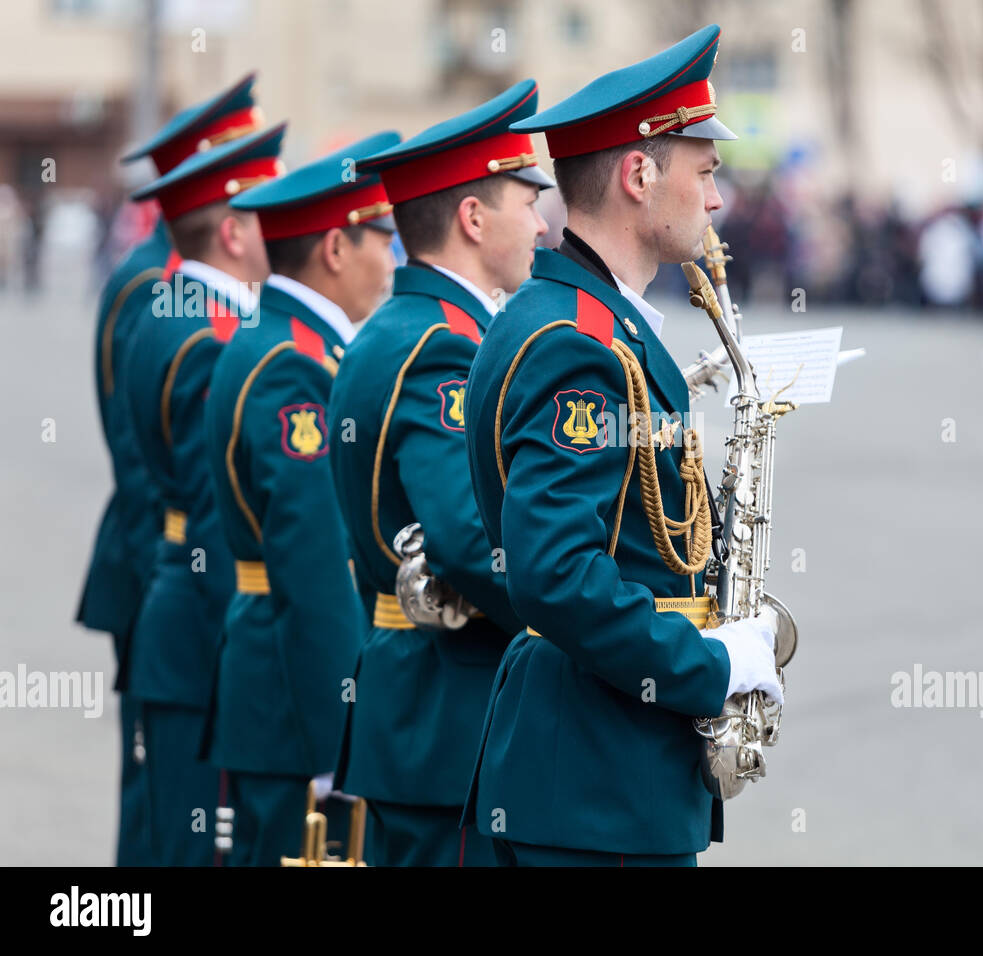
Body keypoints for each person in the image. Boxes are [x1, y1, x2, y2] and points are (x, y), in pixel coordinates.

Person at [459, 25, 781, 867]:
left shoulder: (594, 327)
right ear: (640, 175)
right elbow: (557, 576)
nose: (716, 202)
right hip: (592, 792)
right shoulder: (577, 344)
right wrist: (710, 663)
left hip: (602, 780)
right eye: (705, 173)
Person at [327, 81, 552, 866]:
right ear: (472, 217)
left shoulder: (405, 327)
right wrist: (582, 623)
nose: (540, 222)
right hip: (447, 713)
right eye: (526, 201)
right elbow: (466, 541)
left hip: (419, 709)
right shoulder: (444, 347)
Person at [78, 72, 262, 866]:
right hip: (166, 567)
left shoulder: (193, 288)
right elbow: (144, 456)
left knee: (181, 810)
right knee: (164, 810)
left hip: (180, 577)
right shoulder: (155, 291)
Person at [202, 132, 400, 866]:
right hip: (295, 698)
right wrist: (339, 737)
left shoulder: (288, 344)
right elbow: (313, 564)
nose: (391, 256)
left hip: (274, 680)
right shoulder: (295, 366)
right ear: (335, 248)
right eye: (380, 235)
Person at [120, 123, 286, 865]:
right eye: (266, 210)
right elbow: (218, 522)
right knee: (193, 850)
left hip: (180, 626)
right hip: (205, 640)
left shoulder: (175, 310)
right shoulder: (210, 338)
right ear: (231, 231)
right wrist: (252, 654)